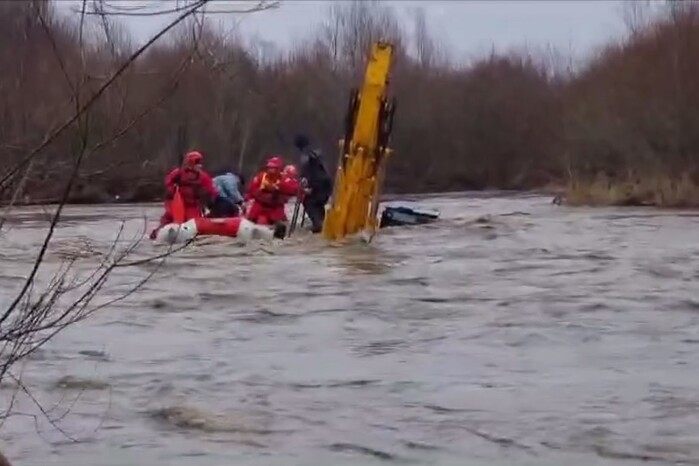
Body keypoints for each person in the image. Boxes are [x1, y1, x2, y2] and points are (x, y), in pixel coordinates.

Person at [149, 150, 217, 239]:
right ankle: (158, 233)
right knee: (168, 217)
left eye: (200, 163)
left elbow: (211, 190)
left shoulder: (203, 176)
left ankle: (191, 235)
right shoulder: (178, 173)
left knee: (192, 221)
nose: (199, 165)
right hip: (176, 203)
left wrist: (210, 198)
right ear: (190, 163)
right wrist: (172, 190)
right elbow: (168, 182)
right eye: (197, 163)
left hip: (193, 206)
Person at [244, 156, 299, 229]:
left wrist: (279, 188)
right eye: (270, 167)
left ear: (278, 168)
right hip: (260, 207)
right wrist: (247, 200)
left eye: (273, 168)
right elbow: (251, 189)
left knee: (279, 224)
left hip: (275, 208)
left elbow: (293, 189)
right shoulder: (261, 176)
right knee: (259, 222)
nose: (271, 169)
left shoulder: (283, 179)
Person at [293, 134, 332, 233]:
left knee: (309, 203)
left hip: (317, 183)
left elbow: (310, 171)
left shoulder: (306, 155)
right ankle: (324, 224)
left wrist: (309, 185)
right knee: (319, 204)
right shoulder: (317, 152)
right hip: (326, 183)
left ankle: (319, 225)